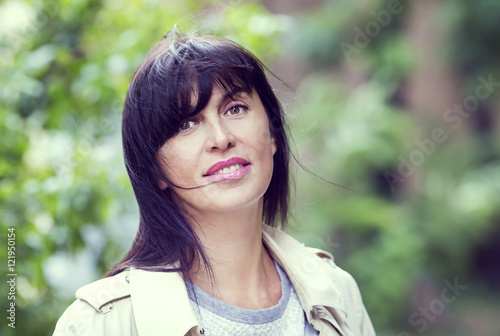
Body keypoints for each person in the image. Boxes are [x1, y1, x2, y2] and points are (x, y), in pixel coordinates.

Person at [53, 30, 376, 336]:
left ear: (273, 134)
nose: (221, 139)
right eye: (186, 123)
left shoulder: (336, 292)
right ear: (155, 170)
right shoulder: (100, 323)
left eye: (235, 108)